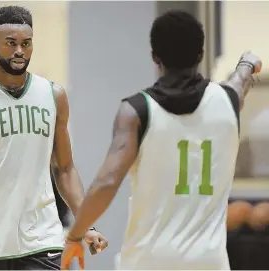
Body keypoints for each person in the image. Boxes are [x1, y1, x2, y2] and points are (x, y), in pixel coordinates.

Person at [61, 10, 262, 270]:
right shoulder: (229, 100)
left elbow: (107, 182)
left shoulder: (135, 111)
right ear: (200, 54)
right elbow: (241, 79)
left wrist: (75, 235)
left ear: (155, 57)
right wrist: (247, 62)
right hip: (209, 262)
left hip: (148, 261)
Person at [0, 6, 107, 270]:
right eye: (10, 43)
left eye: (26, 44)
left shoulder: (54, 96)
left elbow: (65, 168)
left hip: (42, 238)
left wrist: (85, 225)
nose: (19, 51)